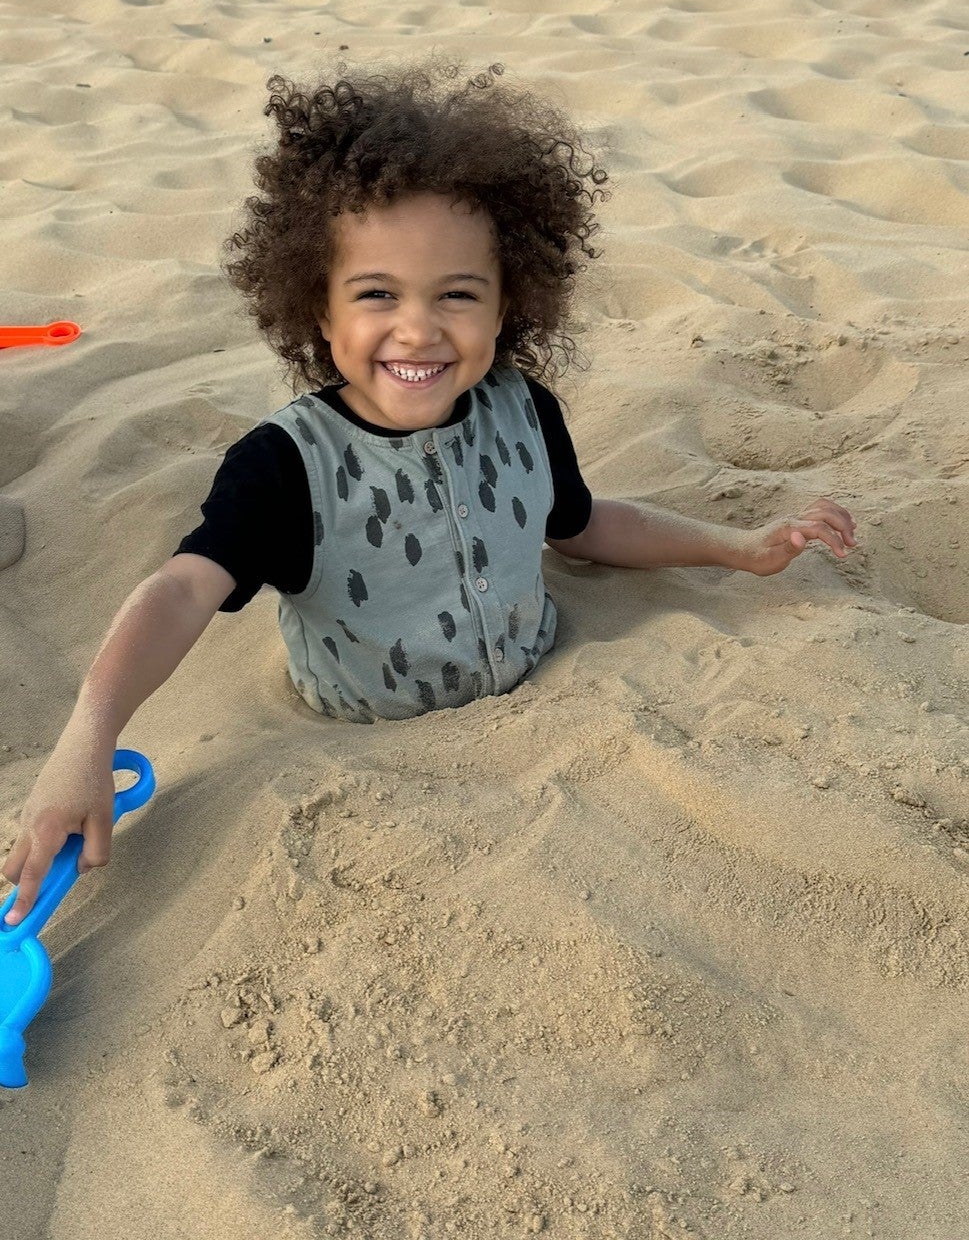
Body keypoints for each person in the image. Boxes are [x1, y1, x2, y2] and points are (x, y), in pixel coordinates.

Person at [1, 60, 856, 925]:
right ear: (319, 311)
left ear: (505, 307)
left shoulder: (523, 408)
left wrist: (735, 548)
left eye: (458, 294)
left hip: (551, 709)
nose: (418, 327)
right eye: (376, 294)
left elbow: (584, 525)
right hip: (362, 750)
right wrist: (87, 736)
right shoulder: (282, 467)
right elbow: (181, 589)